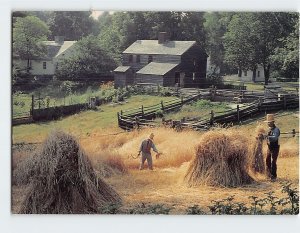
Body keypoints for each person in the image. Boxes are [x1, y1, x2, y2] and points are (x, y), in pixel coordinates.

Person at [264, 114, 280, 181]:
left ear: (273, 122)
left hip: (275, 147)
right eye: (268, 122)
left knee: (273, 161)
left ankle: (273, 176)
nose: (268, 123)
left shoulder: (276, 130)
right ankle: (268, 174)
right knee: (267, 160)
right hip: (269, 147)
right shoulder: (268, 129)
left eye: (269, 122)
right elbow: (266, 137)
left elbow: (274, 138)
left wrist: (266, 136)